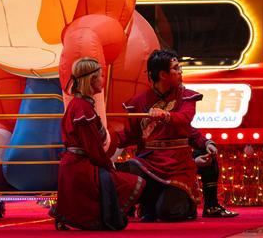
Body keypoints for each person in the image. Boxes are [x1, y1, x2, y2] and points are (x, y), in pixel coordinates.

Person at [53, 57, 145, 230]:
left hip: (77, 164)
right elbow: (93, 147)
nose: (103, 79)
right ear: (92, 79)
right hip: (81, 166)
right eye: (101, 75)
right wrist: (108, 165)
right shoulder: (82, 108)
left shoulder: (79, 105)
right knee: (131, 183)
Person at [115, 49, 202, 222]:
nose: (180, 71)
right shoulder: (138, 102)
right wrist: (104, 139)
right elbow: (130, 135)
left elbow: (185, 119)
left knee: (168, 213)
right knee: (120, 170)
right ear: (163, 75)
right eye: (176, 68)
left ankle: (177, 205)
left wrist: (165, 115)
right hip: (149, 161)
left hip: (177, 166)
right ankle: (148, 201)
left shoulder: (186, 97)